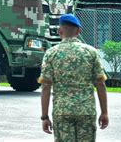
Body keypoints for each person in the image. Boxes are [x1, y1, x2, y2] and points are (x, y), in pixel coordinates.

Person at [39, 14, 108, 142]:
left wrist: (44, 117)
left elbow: (45, 87)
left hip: (62, 111)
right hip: (86, 111)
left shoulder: (51, 54)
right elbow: (100, 84)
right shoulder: (91, 52)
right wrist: (104, 113)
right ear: (78, 31)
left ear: (60, 31)